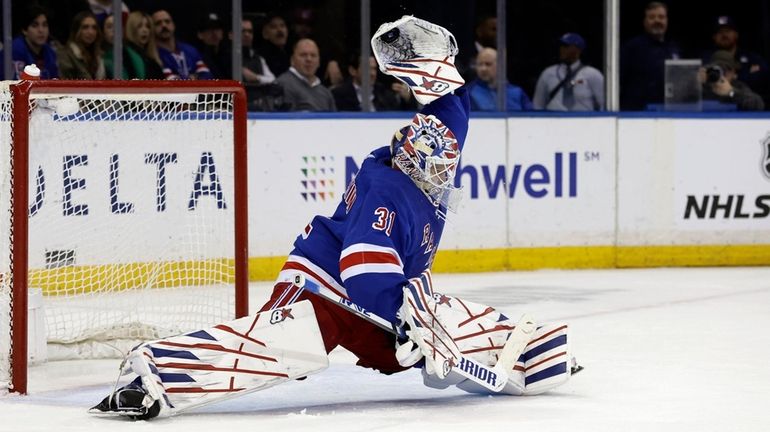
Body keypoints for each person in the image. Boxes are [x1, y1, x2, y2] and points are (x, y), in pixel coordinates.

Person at [89, 17, 576, 420]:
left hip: (371, 302)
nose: (440, 166)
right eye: (431, 160)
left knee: (440, 318)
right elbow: (364, 271)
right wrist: (407, 323)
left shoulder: (433, 171)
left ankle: (529, 350)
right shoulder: (389, 190)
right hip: (320, 282)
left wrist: (436, 67)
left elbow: (452, 112)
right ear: (411, 156)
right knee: (288, 346)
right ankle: (153, 374)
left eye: (444, 160)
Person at [620, 1, 681, 110]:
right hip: (636, 113)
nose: (657, 20)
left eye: (661, 17)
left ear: (667, 21)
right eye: (652, 17)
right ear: (645, 21)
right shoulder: (632, 47)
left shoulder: (673, 47)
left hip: (668, 111)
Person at [706, 16, 769, 105]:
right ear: (714, 37)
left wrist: (732, 91)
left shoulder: (738, 84)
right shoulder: (707, 60)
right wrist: (699, 80)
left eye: (728, 31)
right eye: (720, 32)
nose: (724, 35)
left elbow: (757, 103)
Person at [533, 33, 604, 111]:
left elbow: (604, 104)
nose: (562, 49)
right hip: (554, 121)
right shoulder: (548, 73)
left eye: (566, 46)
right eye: (561, 46)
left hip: (583, 121)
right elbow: (538, 105)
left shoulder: (592, 74)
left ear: (578, 49)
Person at [332, 53, 415, 111]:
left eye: (374, 69)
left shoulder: (384, 94)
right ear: (353, 70)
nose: (372, 73)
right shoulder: (338, 95)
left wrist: (407, 100)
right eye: (367, 68)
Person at [276, 38, 336, 111]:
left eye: (313, 55)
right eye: (303, 55)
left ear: (319, 62)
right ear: (292, 60)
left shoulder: (326, 93)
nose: (309, 59)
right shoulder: (281, 85)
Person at [152, 9, 213, 80]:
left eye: (167, 21)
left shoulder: (190, 50)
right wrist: (193, 77)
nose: (164, 25)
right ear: (152, 28)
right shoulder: (154, 55)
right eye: (158, 23)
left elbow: (207, 75)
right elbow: (171, 82)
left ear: (173, 25)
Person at [467, 47, 532, 111]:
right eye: (480, 64)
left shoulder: (517, 92)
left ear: (500, 65)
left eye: (488, 64)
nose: (483, 69)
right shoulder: (468, 93)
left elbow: (531, 117)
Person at [700, 50, 764, 111]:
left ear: (734, 73)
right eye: (718, 70)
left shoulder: (737, 86)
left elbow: (758, 105)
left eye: (726, 69)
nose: (722, 74)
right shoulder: (702, 86)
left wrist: (731, 92)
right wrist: (695, 82)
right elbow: (690, 102)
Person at [10, 5, 59, 79]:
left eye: (45, 25)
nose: (41, 30)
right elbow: (17, 85)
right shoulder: (15, 50)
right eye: (35, 25)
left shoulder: (50, 52)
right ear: (24, 30)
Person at [57, 11, 106, 79]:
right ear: (76, 30)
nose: (90, 32)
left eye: (94, 27)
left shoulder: (99, 56)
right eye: (85, 27)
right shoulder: (66, 55)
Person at [123, 11, 164, 80]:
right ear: (131, 28)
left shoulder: (153, 61)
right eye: (139, 26)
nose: (145, 30)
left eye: (148, 26)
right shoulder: (125, 54)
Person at [101, 14, 144, 79]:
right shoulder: (100, 57)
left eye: (117, 26)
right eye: (109, 27)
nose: (114, 30)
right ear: (103, 32)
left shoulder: (135, 53)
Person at [240, 17, 275, 84]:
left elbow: (273, 80)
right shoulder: (227, 59)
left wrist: (256, 77)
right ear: (231, 34)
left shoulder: (258, 58)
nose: (247, 34)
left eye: (250, 32)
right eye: (242, 31)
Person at [195, 13, 229, 79]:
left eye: (217, 28)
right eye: (209, 28)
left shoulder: (230, 57)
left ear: (222, 33)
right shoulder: (195, 57)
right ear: (200, 34)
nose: (214, 32)